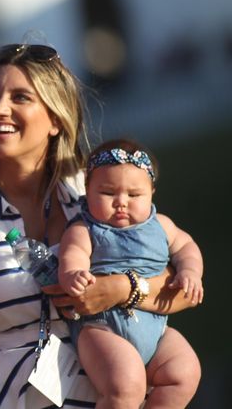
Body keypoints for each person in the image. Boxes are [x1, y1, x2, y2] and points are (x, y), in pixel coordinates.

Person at [0, 43, 201, 408]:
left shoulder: (102, 198)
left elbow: (178, 288)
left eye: (20, 97)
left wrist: (118, 289)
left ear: (55, 118)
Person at [58, 138, 203, 408]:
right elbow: (72, 254)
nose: (121, 202)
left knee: (185, 372)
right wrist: (74, 274)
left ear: (151, 193)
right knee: (126, 385)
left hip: (155, 329)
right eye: (108, 193)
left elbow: (187, 247)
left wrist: (190, 271)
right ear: (87, 191)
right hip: (101, 327)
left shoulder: (162, 225)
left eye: (134, 195)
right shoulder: (84, 229)